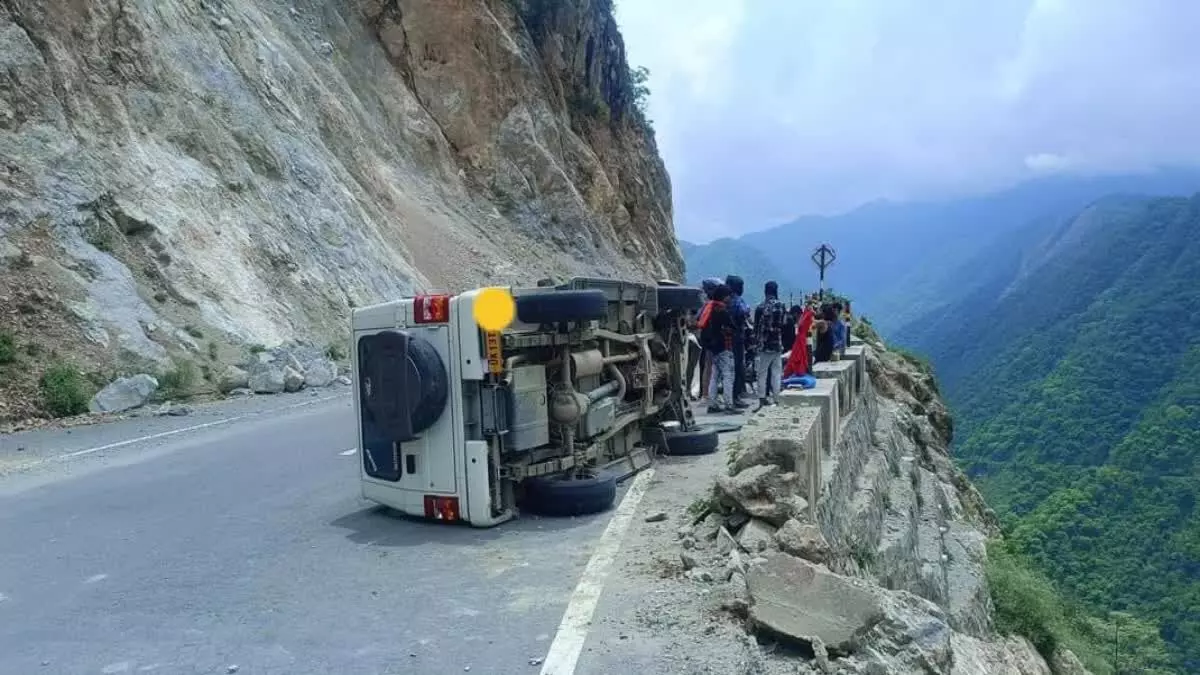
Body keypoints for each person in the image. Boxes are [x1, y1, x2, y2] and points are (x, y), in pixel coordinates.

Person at [700, 284, 737, 413]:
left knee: (714, 376)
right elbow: (732, 328)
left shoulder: (709, 308)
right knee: (728, 375)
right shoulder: (722, 311)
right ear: (723, 296)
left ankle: (712, 404)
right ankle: (729, 405)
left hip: (712, 347)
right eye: (728, 296)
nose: (729, 299)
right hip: (724, 347)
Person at [753, 281, 788, 407]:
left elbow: (756, 328)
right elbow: (784, 323)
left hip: (764, 345)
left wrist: (755, 344)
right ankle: (777, 399)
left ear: (765, 291)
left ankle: (762, 399)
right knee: (776, 372)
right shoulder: (781, 305)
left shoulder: (760, 307)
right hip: (777, 344)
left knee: (762, 373)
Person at [725, 275, 751, 407]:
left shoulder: (725, 300)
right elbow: (744, 311)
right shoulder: (737, 300)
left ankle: (729, 397)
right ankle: (735, 397)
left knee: (726, 370)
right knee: (738, 367)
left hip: (726, 338)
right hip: (737, 338)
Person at [783, 303, 815, 378]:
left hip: (801, 344)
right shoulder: (802, 320)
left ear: (796, 314)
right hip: (800, 343)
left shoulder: (804, 321)